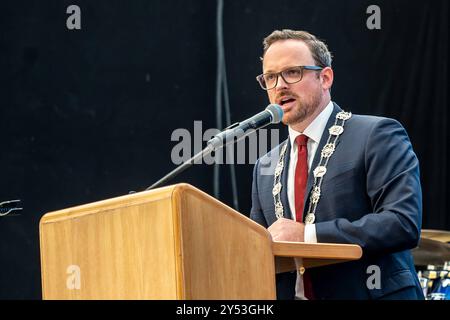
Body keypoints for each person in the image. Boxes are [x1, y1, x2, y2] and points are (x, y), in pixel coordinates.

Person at [250, 29, 424, 300]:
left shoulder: (376, 134)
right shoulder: (265, 164)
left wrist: (308, 235)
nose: (280, 85)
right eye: (270, 77)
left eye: (292, 72)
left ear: (326, 77)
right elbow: (258, 248)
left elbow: (401, 223)